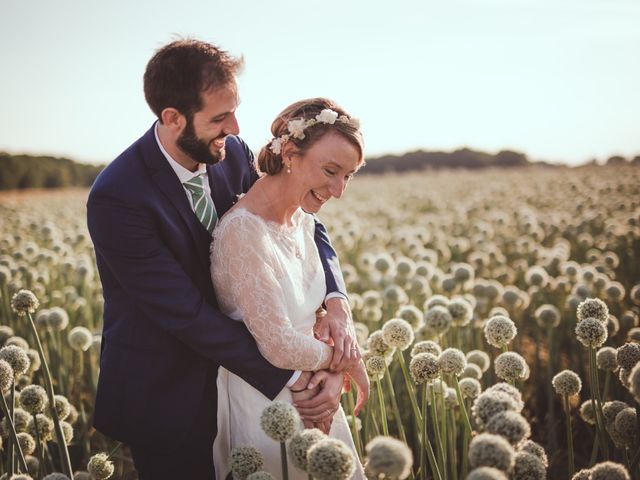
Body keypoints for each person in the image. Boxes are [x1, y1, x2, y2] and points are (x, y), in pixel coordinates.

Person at [86, 39, 359, 480]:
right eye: (219, 117)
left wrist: (336, 301)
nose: (234, 127)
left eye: (235, 109)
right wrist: (307, 374)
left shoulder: (231, 151)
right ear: (172, 118)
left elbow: (298, 219)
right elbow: (185, 313)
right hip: (169, 393)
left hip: (253, 378)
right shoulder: (118, 197)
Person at [211, 98, 369, 478]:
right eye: (330, 171)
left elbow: (311, 313)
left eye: (348, 176)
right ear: (290, 154)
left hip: (315, 392)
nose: (338, 190)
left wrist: (333, 376)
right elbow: (278, 343)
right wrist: (346, 363)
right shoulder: (243, 231)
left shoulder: (304, 221)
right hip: (266, 407)